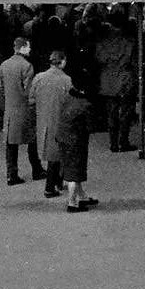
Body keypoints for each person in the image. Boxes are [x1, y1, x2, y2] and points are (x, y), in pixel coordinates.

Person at [0, 36, 44, 185]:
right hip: (25, 110)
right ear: (22, 48)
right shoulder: (27, 66)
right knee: (32, 140)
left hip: (10, 110)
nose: (30, 49)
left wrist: (9, 99)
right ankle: (37, 170)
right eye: (28, 47)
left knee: (11, 143)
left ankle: (12, 174)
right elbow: (29, 91)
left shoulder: (4, 65)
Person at [30, 50, 72, 199]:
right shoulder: (67, 80)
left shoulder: (39, 78)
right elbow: (70, 102)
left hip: (43, 120)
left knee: (51, 152)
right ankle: (50, 186)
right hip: (60, 120)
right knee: (57, 155)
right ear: (62, 62)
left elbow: (31, 99)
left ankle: (57, 183)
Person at [95, 21, 137, 154]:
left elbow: (99, 59)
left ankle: (113, 143)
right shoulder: (128, 44)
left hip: (108, 82)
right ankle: (123, 141)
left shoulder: (102, 44)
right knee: (126, 113)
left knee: (111, 114)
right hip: (125, 81)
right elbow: (132, 61)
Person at [55, 80, 96, 212]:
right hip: (76, 141)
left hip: (63, 137)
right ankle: (72, 203)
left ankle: (82, 196)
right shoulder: (85, 105)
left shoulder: (67, 98)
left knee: (72, 168)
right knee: (74, 171)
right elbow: (90, 126)